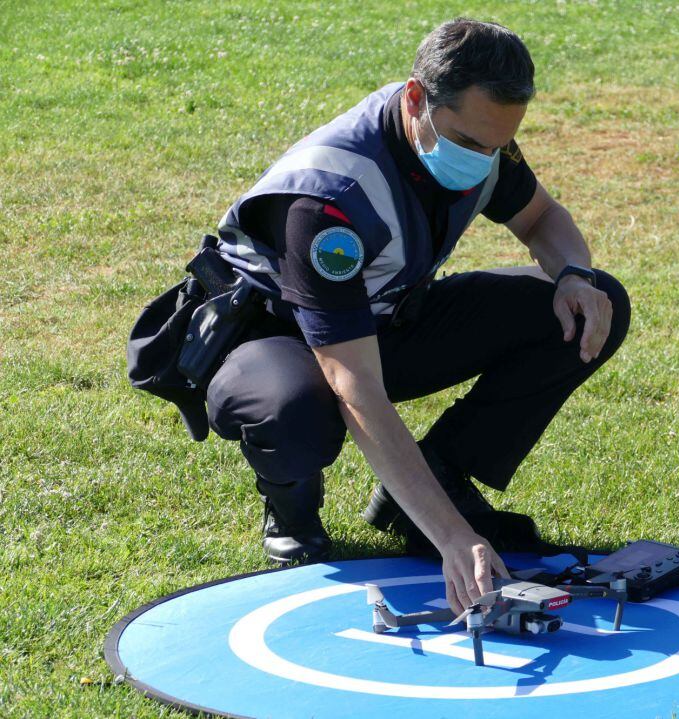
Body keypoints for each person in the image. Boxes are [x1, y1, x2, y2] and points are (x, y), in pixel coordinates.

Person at [202, 18, 630, 617]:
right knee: (296, 406)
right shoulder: (326, 198)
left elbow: (540, 220)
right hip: (280, 340)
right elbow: (355, 384)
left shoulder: (477, 138)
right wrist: (454, 537)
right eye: (470, 142)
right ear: (414, 99)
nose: (484, 160)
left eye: (497, 144)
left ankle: (435, 479)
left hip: (388, 316)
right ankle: (291, 502)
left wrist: (574, 277)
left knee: (591, 306)